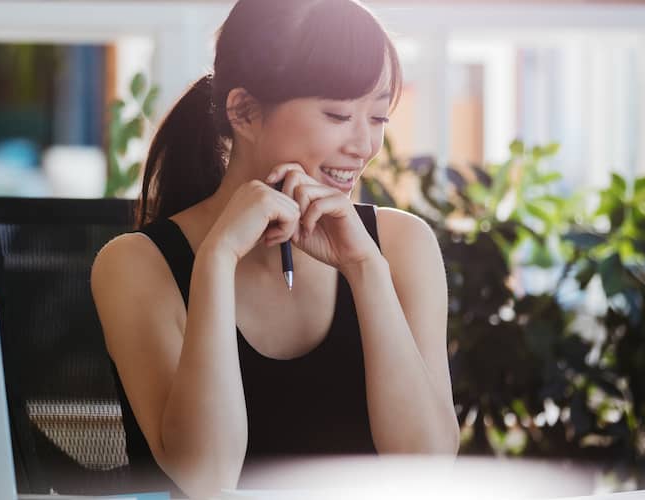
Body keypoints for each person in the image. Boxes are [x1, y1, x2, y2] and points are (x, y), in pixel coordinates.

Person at [91, 0, 458, 497]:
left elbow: (426, 470)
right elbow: (206, 479)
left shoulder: (401, 245)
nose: (364, 145)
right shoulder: (135, 264)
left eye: (377, 118)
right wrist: (217, 261)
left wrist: (364, 266)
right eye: (338, 114)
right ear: (244, 111)